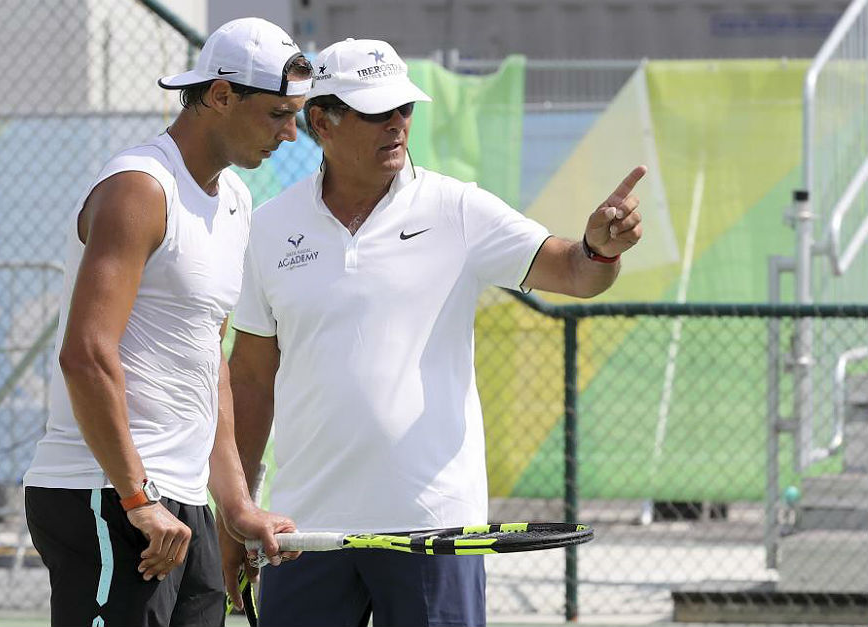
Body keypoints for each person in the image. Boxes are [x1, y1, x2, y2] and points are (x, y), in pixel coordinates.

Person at [221, 37, 645, 627]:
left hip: (436, 528)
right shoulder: (267, 228)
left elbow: (575, 271)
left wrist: (601, 249)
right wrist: (235, 512)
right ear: (321, 121)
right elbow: (249, 380)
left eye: (404, 109)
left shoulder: (457, 209)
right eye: (377, 111)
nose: (397, 124)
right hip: (305, 531)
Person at [22, 18, 311, 627]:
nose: (291, 134)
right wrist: (136, 497)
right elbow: (86, 354)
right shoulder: (139, 187)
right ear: (222, 95)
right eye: (279, 114)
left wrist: (233, 504)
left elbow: (209, 362)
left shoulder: (235, 200)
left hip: (180, 506)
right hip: (104, 497)